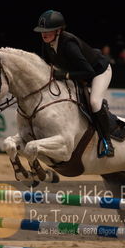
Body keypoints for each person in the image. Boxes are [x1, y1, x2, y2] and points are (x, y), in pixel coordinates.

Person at [33, 10, 114, 157]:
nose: (44, 34)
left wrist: (65, 75)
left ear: (58, 31)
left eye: (48, 31)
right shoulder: (47, 44)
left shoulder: (68, 44)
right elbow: (46, 67)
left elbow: (88, 72)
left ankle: (107, 142)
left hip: (98, 71)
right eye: (42, 31)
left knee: (95, 102)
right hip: (79, 74)